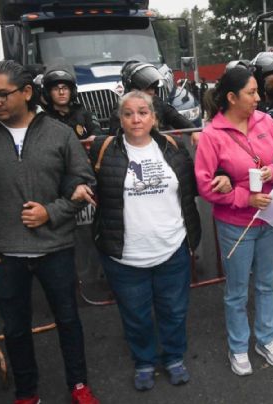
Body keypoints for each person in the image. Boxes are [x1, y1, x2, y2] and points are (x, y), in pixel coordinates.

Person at [0, 60, 99, 404]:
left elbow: (85, 183)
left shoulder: (59, 134)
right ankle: (27, 393)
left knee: (68, 321)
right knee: (16, 330)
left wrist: (51, 211)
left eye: (2, 95)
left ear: (27, 93)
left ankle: (78, 385)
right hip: (4, 256)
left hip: (57, 249)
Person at [86, 90, 202, 391]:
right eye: (128, 113)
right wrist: (75, 187)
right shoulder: (103, 149)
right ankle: (144, 362)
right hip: (124, 256)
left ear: (154, 117)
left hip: (172, 249)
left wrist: (223, 175)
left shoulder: (173, 148)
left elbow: (194, 186)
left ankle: (174, 357)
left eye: (142, 112)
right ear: (120, 119)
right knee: (135, 316)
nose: (136, 119)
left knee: (174, 311)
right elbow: (79, 178)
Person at [194, 67, 273, 376]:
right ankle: (238, 345)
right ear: (231, 97)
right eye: (251, 93)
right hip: (236, 224)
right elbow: (205, 184)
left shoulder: (265, 121)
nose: (258, 98)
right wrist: (244, 198)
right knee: (236, 290)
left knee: (266, 284)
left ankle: (266, 338)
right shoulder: (213, 134)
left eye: (257, 92)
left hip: (270, 218)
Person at [109, 61, 195, 139]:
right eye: (146, 88)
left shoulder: (158, 102)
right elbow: (115, 137)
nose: (151, 92)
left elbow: (175, 117)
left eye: (153, 88)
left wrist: (194, 131)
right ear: (132, 89)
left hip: (161, 147)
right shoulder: (121, 109)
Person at [41, 65, 101, 143]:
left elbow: (96, 129)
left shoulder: (83, 113)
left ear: (72, 92)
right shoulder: (44, 119)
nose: (61, 92)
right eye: (56, 89)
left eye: (65, 88)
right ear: (48, 93)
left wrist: (94, 137)